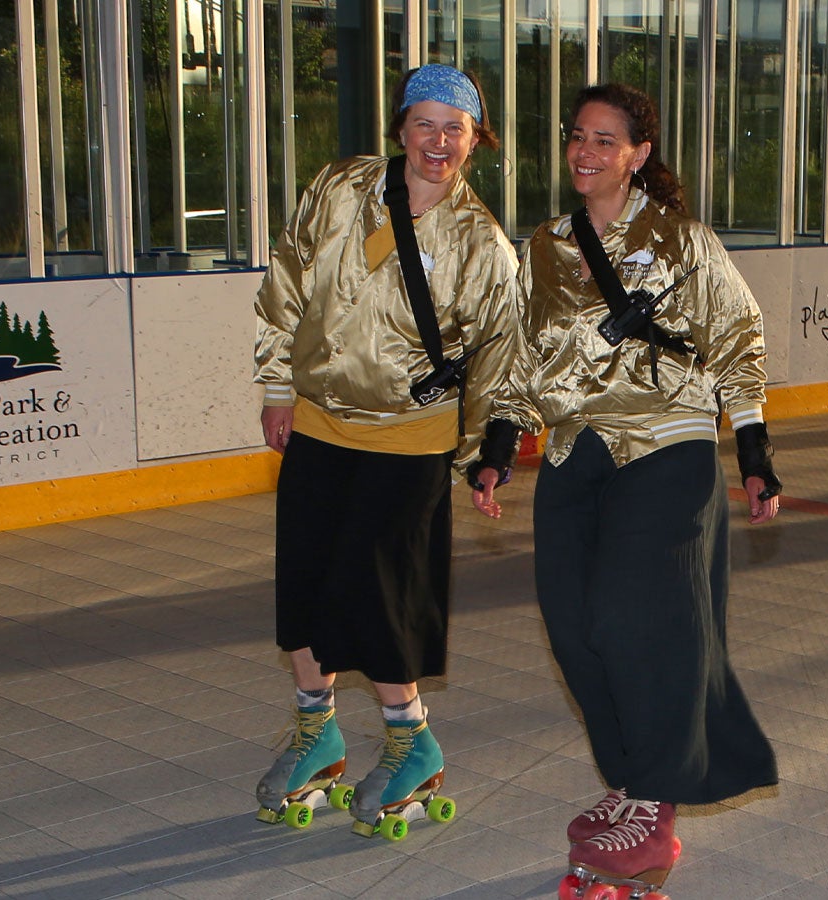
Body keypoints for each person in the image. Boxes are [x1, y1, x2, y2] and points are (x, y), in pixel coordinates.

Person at [469, 83, 781, 893]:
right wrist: (498, 444)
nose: (585, 151)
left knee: (636, 618)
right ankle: (628, 777)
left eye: (605, 140)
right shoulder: (544, 247)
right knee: (576, 626)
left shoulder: (683, 240)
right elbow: (519, 357)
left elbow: (737, 336)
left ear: (639, 154)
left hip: (666, 440)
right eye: (578, 136)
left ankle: (655, 798)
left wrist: (753, 447)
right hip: (577, 449)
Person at [251, 64, 522, 839]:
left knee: (379, 593)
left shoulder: (480, 241)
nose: (438, 141)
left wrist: (484, 455)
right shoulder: (341, 188)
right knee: (304, 587)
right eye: (425, 123)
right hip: (319, 422)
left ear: (476, 139)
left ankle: (411, 742)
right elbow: (287, 284)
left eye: (455, 127)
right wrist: (278, 389)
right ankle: (319, 733)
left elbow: (502, 357)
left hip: (410, 439)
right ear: (400, 127)